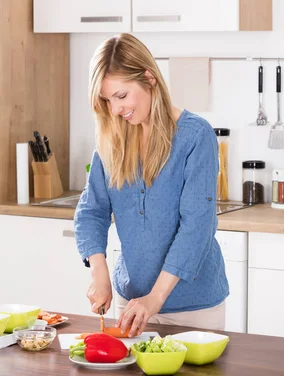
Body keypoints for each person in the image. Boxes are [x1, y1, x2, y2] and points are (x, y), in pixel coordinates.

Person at [74, 33, 229, 338]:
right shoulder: (112, 139)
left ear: (149, 79)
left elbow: (196, 227)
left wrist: (155, 299)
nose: (116, 110)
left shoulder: (195, 136)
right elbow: (92, 210)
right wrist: (100, 274)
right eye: (107, 100)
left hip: (193, 311)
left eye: (121, 96)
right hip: (132, 305)